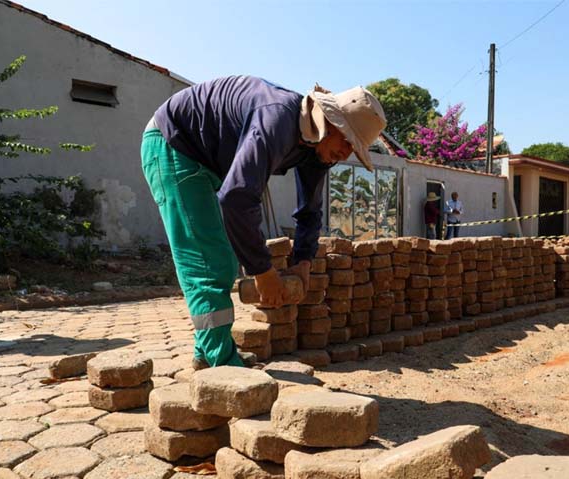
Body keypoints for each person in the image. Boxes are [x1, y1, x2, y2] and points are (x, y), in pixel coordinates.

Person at [140, 76, 386, 369]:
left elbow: (310, 209)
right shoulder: (276, 120)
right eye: (347, 141)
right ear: (328, 122)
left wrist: (303, 262)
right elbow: (237, 198)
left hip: (209, 158)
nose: (346, 154)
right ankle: (225, 368)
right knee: (207, 261)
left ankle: (208, 353)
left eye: (354, 150)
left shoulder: (319, 149)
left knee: (222, 260)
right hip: (173, 143)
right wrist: (263, 271)